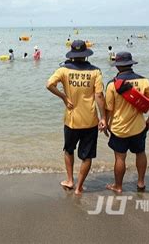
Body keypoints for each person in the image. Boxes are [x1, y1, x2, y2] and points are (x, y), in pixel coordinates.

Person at [46, 40, 108, 195]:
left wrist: (63, 97)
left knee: (68, 150)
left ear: (72, 55)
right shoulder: (96, 72)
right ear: (86, 55)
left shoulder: (63, 70)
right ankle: (79, 188)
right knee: (87, 156)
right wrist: (103, 118)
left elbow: (49, 84)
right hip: (90, 121)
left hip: (71, 120)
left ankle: (70, 180)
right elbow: (99, 95)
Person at [104, 52, 149, 193]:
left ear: (117, 66)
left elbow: (108, 109)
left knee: (120, 157)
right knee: (140, 153)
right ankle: (141, 183)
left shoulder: (112, 85)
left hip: (119, 129)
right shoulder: (144, 81)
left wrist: (106, 124)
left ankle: (118, 186)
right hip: (139, 128)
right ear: (131, 64)